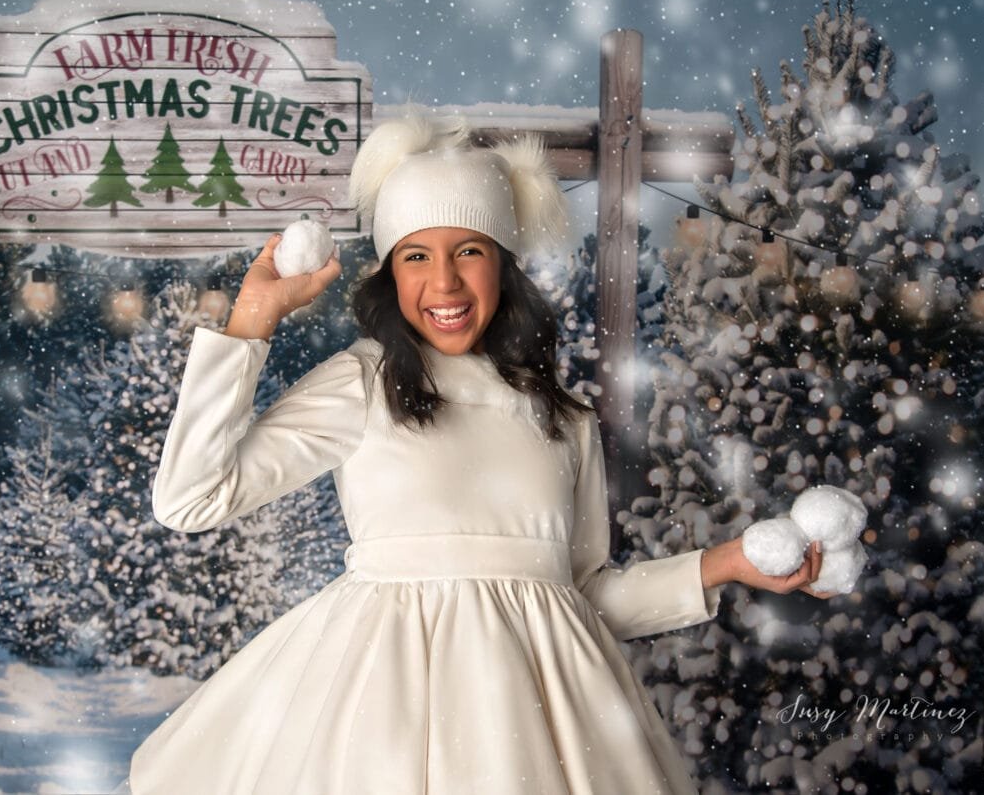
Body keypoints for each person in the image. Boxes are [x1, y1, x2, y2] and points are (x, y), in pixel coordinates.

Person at [124, 110, 832, 794]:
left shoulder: (562, 417)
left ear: (503, 264)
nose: (445, 283)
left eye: (469, 250)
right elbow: (192, 495)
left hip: (540, 742)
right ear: (391, 273)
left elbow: (584, 599)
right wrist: (251, 323)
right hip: (380, 730)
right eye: (416, 256)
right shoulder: (364, 382)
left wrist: (727, 563)